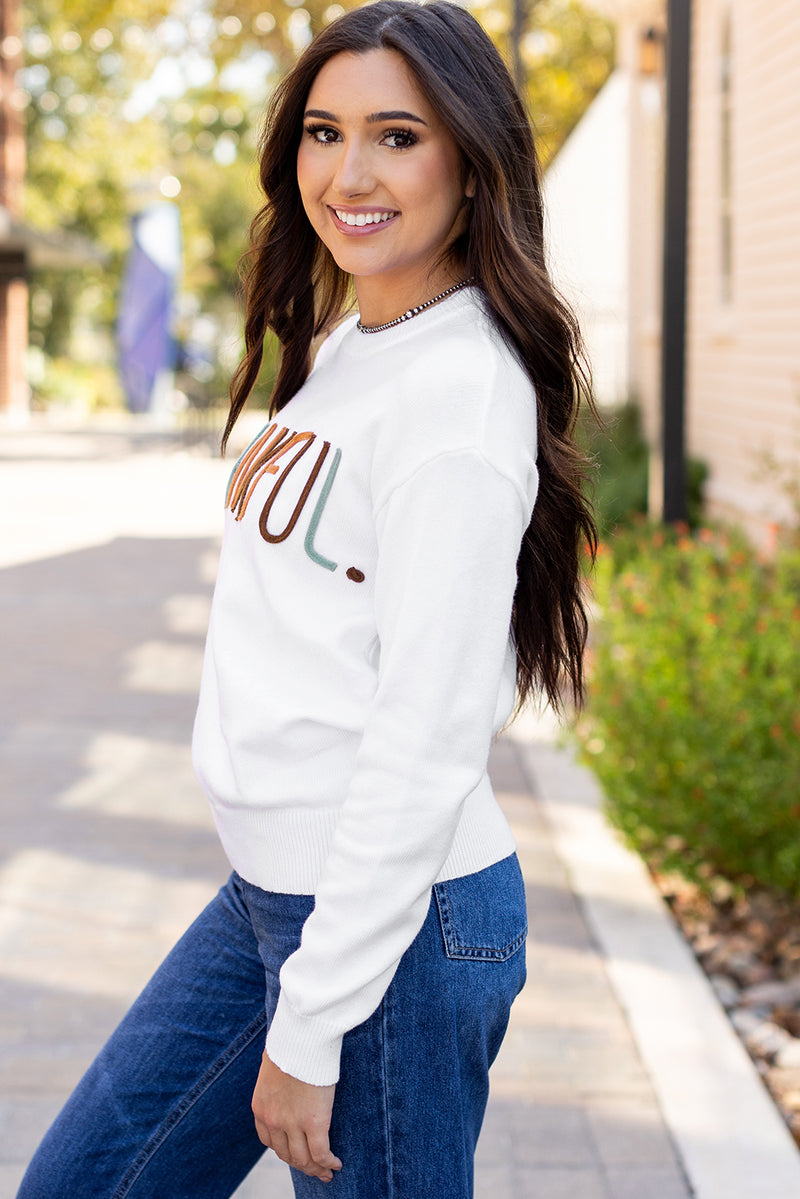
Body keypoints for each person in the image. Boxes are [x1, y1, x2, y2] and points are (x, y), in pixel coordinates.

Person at [17, 2, 596, 1196]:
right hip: (277, 896)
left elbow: (425, 732)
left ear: (470, 163)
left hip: (391, 930)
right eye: (324, 133)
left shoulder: (454, 399)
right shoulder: (355, 341)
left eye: (396, 136)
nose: (349, 172)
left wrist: (312, 1019)